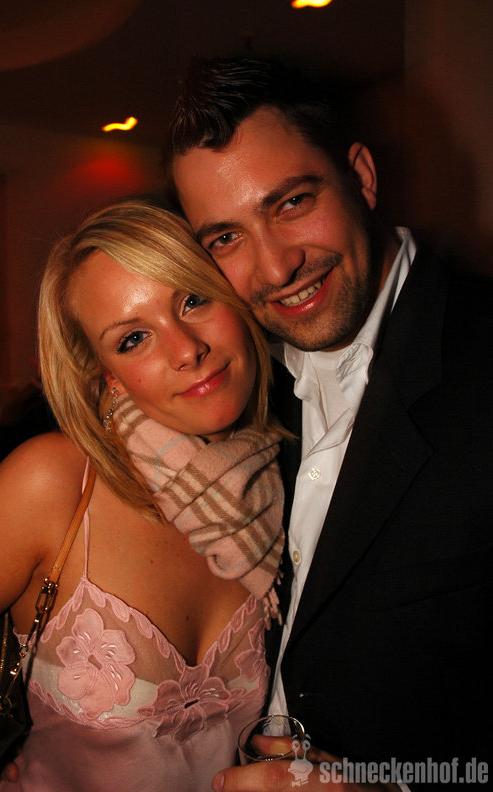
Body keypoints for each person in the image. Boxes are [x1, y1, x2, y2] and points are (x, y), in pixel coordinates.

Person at [165, 56, 493, 790]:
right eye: (225, 238)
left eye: (290, 203)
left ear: (361, 178)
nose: (275, 267)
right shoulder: (233, 387)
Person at [0, 200, 286, 791]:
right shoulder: (50, 484)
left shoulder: (284, 481)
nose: (186, 349)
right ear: (106, 373)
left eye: (193, 299)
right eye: (134, 338)